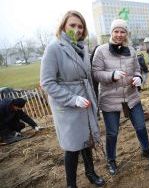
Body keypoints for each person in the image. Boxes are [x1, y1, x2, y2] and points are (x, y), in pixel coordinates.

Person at [40, 10, 105, 187]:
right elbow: (47, 82)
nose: (76, 29)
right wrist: (72, 99)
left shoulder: (82, 47)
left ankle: (91, 173)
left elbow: (87, 76)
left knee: (86, 140)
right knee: (72, 146)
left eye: (80, 26)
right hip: (67, 105)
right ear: (63, 26)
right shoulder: (54, 47)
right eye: (72, 25)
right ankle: (71, 184)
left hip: (85, 100)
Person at [92, 18, 149, 176]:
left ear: (126, 34)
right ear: (111, 33)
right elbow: (95, 73)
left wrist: (138, 78)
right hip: (110, 98)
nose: (119, 34)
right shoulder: (101, 51)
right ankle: (111, 160)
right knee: (112, 132)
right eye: (116, 31)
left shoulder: (131, 51)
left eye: (122, 31)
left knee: (141, 126)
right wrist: (111, 75)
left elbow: (138, 70)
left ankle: (146, 150)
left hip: (131, 96)